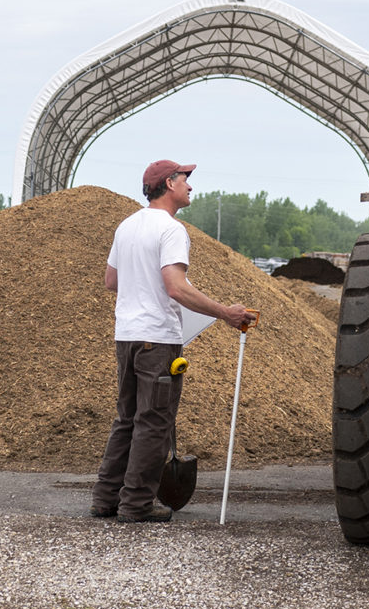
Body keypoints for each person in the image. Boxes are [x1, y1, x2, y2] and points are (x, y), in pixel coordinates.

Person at [91, 159, 255, 523]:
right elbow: (175, 287)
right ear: (169, 183)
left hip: (127, 337)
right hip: (157, 341)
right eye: (186, 179)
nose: (191, 187)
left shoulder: (127, 226)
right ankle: (136, 504)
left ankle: (105, 498)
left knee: (127, 419)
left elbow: (111, 281)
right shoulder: (171, 230)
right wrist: (224, 312)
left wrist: (141, 284)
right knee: (153, 422)